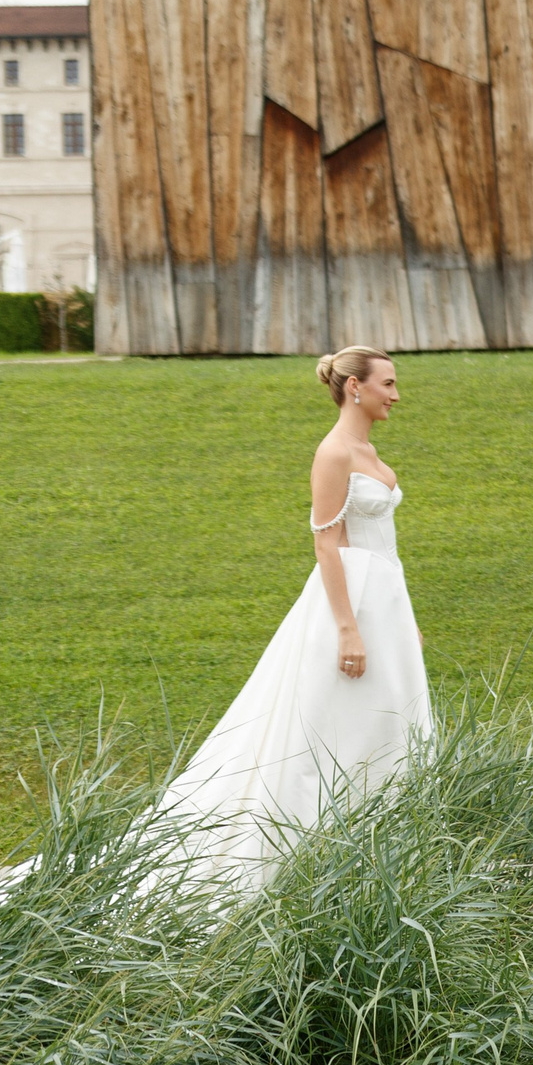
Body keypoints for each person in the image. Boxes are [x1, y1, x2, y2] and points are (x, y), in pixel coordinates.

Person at [156, 346, 433, 887]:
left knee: (390, 720)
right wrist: (348, 628)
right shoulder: (334, 453)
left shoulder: (369, 451)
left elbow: (388, 546)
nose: (397, 395)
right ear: (356, 387)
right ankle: (304, 851)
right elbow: (326, 546)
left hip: (386, 600)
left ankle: (385, 850)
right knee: (330, 723)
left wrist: (407, 618)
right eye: (389, 384)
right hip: (350, 601)